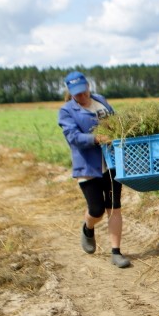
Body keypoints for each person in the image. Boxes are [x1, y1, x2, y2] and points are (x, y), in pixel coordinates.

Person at [57, 71, 131, 268]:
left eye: (84, 91)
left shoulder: (100, 101)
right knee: (96, 210)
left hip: (112, 164)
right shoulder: (67, 111)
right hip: (88, 166)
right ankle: (88, 227)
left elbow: (115, 121)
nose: (82, 96)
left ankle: (116, 252)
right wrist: (96, 138)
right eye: (77, 94)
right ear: (70, 93)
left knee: (114, 206)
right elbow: (72, 137)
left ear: (88, 86)